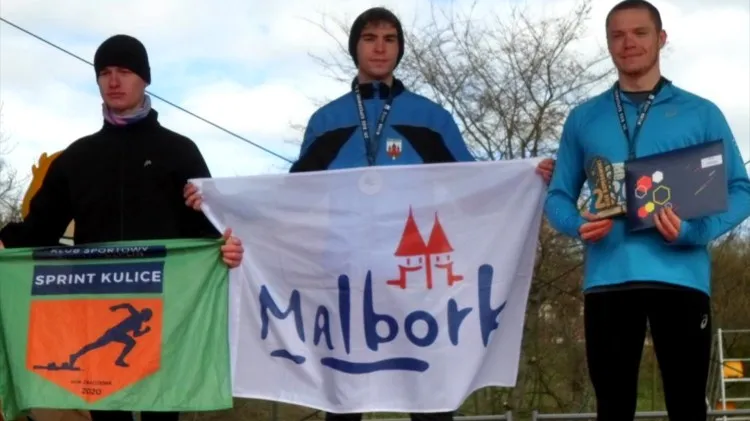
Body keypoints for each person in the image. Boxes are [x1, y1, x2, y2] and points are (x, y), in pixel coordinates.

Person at [186, 6, 553, 421]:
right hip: (343, 278)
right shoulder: (327, 121)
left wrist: (524, 178)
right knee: (344, 398)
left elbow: (473, 184)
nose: (380, 48)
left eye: (390, 39)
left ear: (399, 49)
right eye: (370, 38)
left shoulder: (430, 118)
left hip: (415, 280)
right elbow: (292, 196)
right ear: (355, 47)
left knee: (429, 397)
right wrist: (219, 202)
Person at [0, 34, 244, 421]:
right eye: (105, 72)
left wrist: (227, 250)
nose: (114, 81)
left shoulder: (180, 151)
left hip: (169, 319)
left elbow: (211, 235)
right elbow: (38, 232)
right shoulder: (76, 158)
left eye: (125, 71)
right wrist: (4, 242)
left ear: (144, 80)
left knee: (161, 414)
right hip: (93, 314)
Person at [544, 0, 750, 419]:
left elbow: (741, 189)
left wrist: (694, 232)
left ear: (661, 39)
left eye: (639, 32)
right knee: (613, 408)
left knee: (687, 407)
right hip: (608, 281)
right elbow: (557, 196)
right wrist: (575, 226)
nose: (628, 43)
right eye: (617, 35)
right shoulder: (584, 118)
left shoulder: (702, 112)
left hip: (681, 279)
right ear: (608, 44)